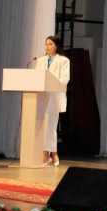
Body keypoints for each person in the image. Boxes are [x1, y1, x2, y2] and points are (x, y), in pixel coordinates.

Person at [35, 35, 70, 167]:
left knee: (50, 126)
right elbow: (37, 76)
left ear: (56, 46)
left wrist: (51, 83)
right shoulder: (41, 60)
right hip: (41, 97)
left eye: (50, 44)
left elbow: (65, 79)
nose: (47, 47)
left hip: (54, 96)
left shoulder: (64, 60)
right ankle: (53, 153)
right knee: (42, 126)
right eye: (46, 44)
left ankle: (47, 154)